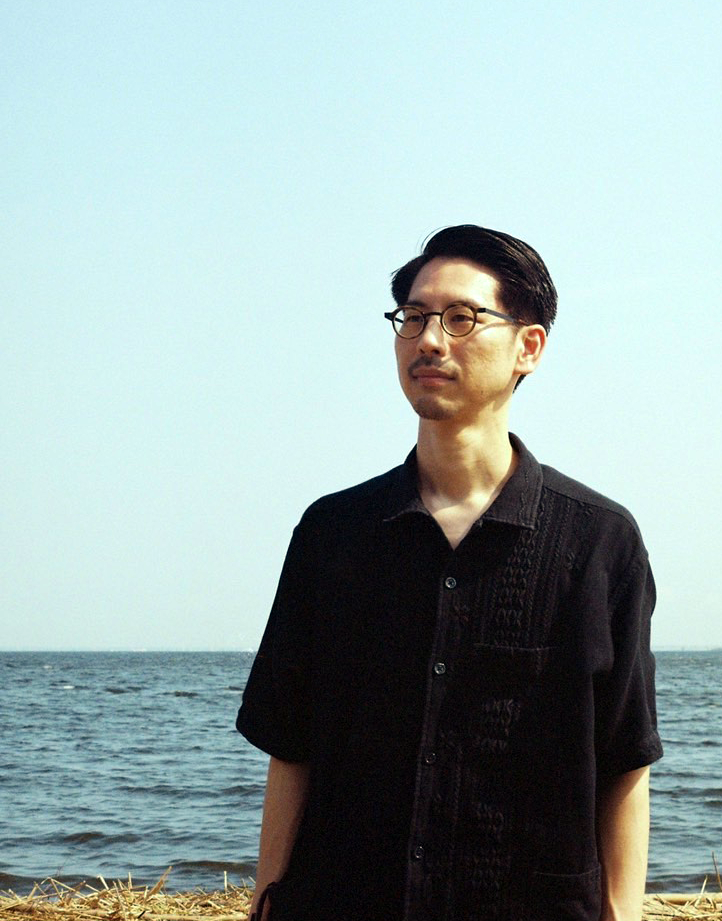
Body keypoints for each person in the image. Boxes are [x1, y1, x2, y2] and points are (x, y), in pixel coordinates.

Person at [237, 225, 662, 921]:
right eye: (413, 317)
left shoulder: (598, 540)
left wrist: (623, 911)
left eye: (462, 318)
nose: (430, 340)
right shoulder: (333, 533)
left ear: (529, 347)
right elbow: (291, 745)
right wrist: (266, 899)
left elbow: (624, 758)